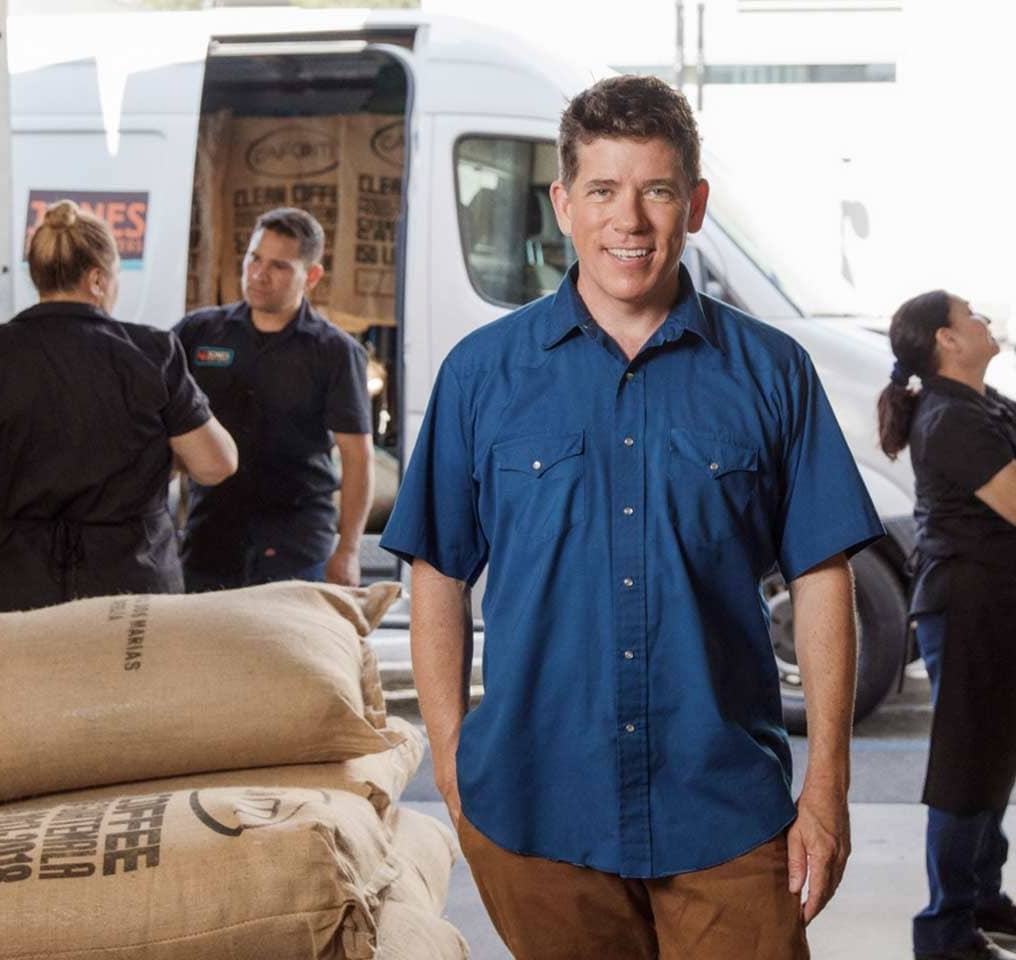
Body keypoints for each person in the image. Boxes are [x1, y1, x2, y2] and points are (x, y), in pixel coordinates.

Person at [379, 75, 884, 959]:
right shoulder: (480, 376)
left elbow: (821, 574)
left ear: (694, 204)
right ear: (563, 204)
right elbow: (437, 574)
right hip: (536, 812)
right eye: (604, 191)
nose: (631, 221)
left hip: (724, 806)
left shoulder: (773, 373)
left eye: (655, 190)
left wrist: (827, 787)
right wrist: (457, 770)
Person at [0, 200, 237, 612]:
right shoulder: (151, 352)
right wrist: (160, 462)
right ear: (96, 278)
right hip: (129, 582)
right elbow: (216, 464)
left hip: (17, 583)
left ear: (37, 275)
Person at [877, 290, 1016, 960]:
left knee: (993, 759)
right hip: (967, 606)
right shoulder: (949, 418)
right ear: (946, 341)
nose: (986, 320)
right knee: (968, 763)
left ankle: (984, 898)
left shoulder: (984, 406)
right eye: (972, 316)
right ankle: (945, 930)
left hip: (996, 605)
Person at [173, 207, 373, 590]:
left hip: (295, 543)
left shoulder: (334, 352)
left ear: (311, 276)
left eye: (279, 266)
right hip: (210, 537)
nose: (259, 274)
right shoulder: (200, 333)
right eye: (254, 258)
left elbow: (357, 456)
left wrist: (347, 551)